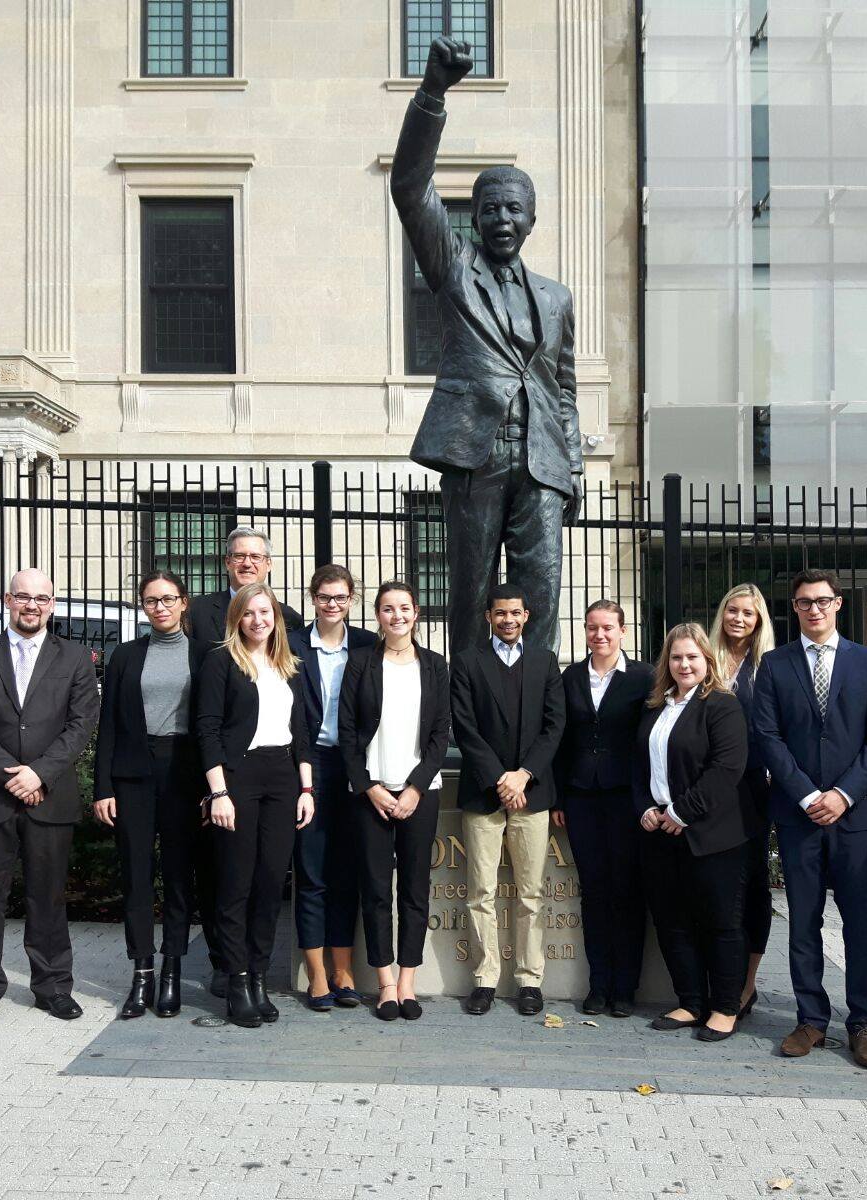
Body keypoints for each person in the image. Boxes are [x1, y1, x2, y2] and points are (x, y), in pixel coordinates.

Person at [390, 36, 585, 654]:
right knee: (471, 592)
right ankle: (470, 710)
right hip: (476, 454)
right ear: (473, 217)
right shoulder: (452, 267)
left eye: (514, 209)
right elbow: (409, 187)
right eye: (490, 208)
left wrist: (573, 466)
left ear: (531, 219)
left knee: (543, 593)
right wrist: (432, 94)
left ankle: (534, 710)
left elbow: (566, 388)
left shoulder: (555, 296)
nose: (502, 219)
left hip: (542, 462)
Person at [751, 568, 867, 1069]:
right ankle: (811, 1018)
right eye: (803, 603)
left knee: (860, 924)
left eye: (822, 601)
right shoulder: (774, 665)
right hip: (798, 816)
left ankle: (862, 1023)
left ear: (837, 604)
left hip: (855, 818)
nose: (813, 609)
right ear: (794, 609)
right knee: (802, 922)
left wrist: (843, 794)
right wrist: (808, 794)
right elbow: (768, 737)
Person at [0, 569, 99, 1029]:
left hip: (48, 796)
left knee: (48, 897)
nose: (32, 605)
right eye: (23, 597)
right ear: (6, 600)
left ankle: (53, 987)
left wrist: (39, 773)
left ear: (52, 604)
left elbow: (81, 723)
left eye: (41, 598)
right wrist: (10, 775)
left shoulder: (75, 658)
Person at [195, 582, 315, 1028]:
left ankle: (260, 978)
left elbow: (301, 732)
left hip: (284, 778)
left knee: (269, 886)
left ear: (276, 618)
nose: (258, 620)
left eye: (265, 612)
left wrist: (307, 790)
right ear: (237, 619)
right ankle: (237, 980)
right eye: (249, 613)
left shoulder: (289, 665)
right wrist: (218, 793)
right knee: (236, 885)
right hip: (238, 778)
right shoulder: (220, 662)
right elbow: (206, 730)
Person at [93, 571, 210, 1020]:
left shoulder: (206, 654)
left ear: (184, 603)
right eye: (150, 601)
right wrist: (104, 786)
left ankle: (172, 972)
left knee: (180, 876)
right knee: (137, 874)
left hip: (185, 774)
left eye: (168, 599)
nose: (159, 608)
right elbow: (109, 726)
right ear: (143, 608)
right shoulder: (125, 656)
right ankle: (141, 972)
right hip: (133, 774)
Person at [449, 582, 566, 1016]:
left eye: (515, 613)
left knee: (530, 893)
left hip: (531, 794)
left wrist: (523, 775)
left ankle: (530, 980)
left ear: (526, 616)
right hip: (484, 793)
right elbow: (464, 726)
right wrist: (499, 777)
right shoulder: (466, 662)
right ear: (488, 617)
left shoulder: (544, 661)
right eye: (500, 614)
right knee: (481, 891)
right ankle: (485, 978)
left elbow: (555, 725)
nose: (508, 620)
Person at [338, 581, 452, 1021]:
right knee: (376, 888)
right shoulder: (362, 663)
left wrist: (415, 788)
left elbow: (441, 733)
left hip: (419, 793)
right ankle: (385, 982)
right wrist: (369, 787)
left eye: (404, 608)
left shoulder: (435, 666)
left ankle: (408, 980)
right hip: (371, 793)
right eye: (387, 609)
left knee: (415, 889)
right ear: (378, 616)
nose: (396, 616)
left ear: (416, 613)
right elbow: (347, 732)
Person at [634, 623, 751, 1043]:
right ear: (667, 662)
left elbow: (726, 770)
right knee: (673, 922)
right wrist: (646, 807)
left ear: (707, 661)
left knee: (721, 923)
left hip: (711, 834)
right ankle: (690, 1001)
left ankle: (724, 1007)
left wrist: (682, 811)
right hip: (660, 833)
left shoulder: (721, 705)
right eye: (677, 657)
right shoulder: (654, 707)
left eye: (692, 657)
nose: (684, 664)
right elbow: (639, 768)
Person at [555, 599, 653, 1017]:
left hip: (626, 798)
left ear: (623, 631)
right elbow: (560, 740)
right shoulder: (571, 677)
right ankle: (598, 985)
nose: (600, 635)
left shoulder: (645, 676)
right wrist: (559, 796)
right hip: (580, 798)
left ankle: (625, 988)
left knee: (627, 892)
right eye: (592, 627)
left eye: (608, 628)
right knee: (594, 892)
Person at [287, 565, 377, 1011]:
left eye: (340, 597)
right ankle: (317, 976)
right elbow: (292, 715)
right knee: (312, 872)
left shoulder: (365, 644)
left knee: (347, 873)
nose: (332, 605)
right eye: (324, 597)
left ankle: (344, 972)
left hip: (357, 765)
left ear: (351, 599)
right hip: (312, 763)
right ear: (313, 598)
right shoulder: (294, 644)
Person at [709, 582, 778, 1019]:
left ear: (759, 621)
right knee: (711, 885)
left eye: (748, 613)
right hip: (706, 789)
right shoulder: (703, 657)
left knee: (751, 887)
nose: (738, 618)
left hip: (753, 789)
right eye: (732, 610)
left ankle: (747, 985)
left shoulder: (770, 666)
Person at [192, 526, 305, 647]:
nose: (247, 563)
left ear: (268, 564)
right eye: (239, 556)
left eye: (255, 557)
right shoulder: (196, 611)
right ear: (227, 562)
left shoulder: (289, 618)